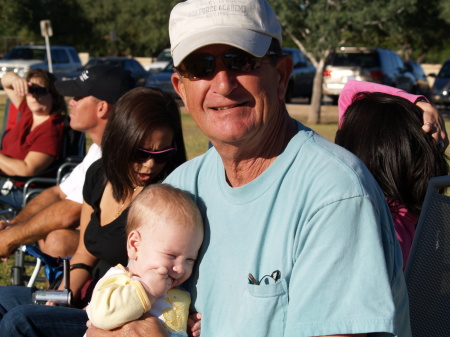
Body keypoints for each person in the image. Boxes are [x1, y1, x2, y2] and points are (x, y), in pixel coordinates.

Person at [89, 1, 445, 336]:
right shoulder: (182, 188)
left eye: (241, 60)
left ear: (281, 76)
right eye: (201, 67)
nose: (223, 84)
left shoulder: (333, 192)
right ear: (181, 89)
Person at [0, 86, 188, 336]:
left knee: (20, 322)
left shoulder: (164, 199)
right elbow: (84, 254)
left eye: (163, 154)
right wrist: (60, 295)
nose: (150, 164)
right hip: (88, 294)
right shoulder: (98, 174)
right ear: (119, 140)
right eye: (139, 152)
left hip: (115, 317)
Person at [0, 65, 135, 259]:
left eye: (78, 97)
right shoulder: (98, 149)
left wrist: (10, 238)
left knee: (58, 239)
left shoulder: (120, 154)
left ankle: (63, 289)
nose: (71, 102)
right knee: (50, 234)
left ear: (102, 107)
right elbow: (58, 192)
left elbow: (70, 212)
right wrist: (14, 225)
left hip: (125, 251)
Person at [335, 80, 449, 268]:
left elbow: (351, 90)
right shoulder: (415, 216)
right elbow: (351, 90)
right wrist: (421, 104)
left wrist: (420, 104)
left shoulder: (372, 230)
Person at [86, 183, 204, 336]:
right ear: (135, 245)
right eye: (171, 256)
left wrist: (187, 327)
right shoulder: (118, 281)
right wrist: (146, 289)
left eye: (190, 260)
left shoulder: (179, 293)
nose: (180, 268)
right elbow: (102, 317)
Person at [0, 69, 67, 208]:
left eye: (41, 90)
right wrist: (15, 80)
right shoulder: (27, 112)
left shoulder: (52, 127)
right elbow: (5, 82)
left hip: (26, 191)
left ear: (54, 96)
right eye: (30, 90)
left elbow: (27, 170)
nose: (34, 96)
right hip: (7, 181)